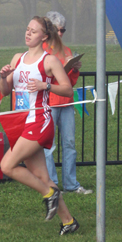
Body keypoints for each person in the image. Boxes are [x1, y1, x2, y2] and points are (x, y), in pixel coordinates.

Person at [0, 16, 79, 235]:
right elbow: (5, 92)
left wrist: (46, 85)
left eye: (33, 31)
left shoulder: (49, 61)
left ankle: (48, 194)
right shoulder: (17, 58)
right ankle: (68, 221)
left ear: (44, 36)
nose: (28, 34)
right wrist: (2, 76)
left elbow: (68, 90)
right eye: (27, 29)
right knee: (44, 177)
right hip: (21, 122)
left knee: (7, 166)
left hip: (40, 120)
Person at [43, 11, 92, 194]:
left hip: (66, 102)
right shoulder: (42, 50)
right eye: (58, 29)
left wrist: (74, 70)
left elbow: (70, 84)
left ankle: (71, 184)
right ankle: (52, 186)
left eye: (63, 29)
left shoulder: (67, 51)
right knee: (49, 146)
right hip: (49, 103)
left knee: (70, 144)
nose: (61, 33)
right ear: (49, 30)